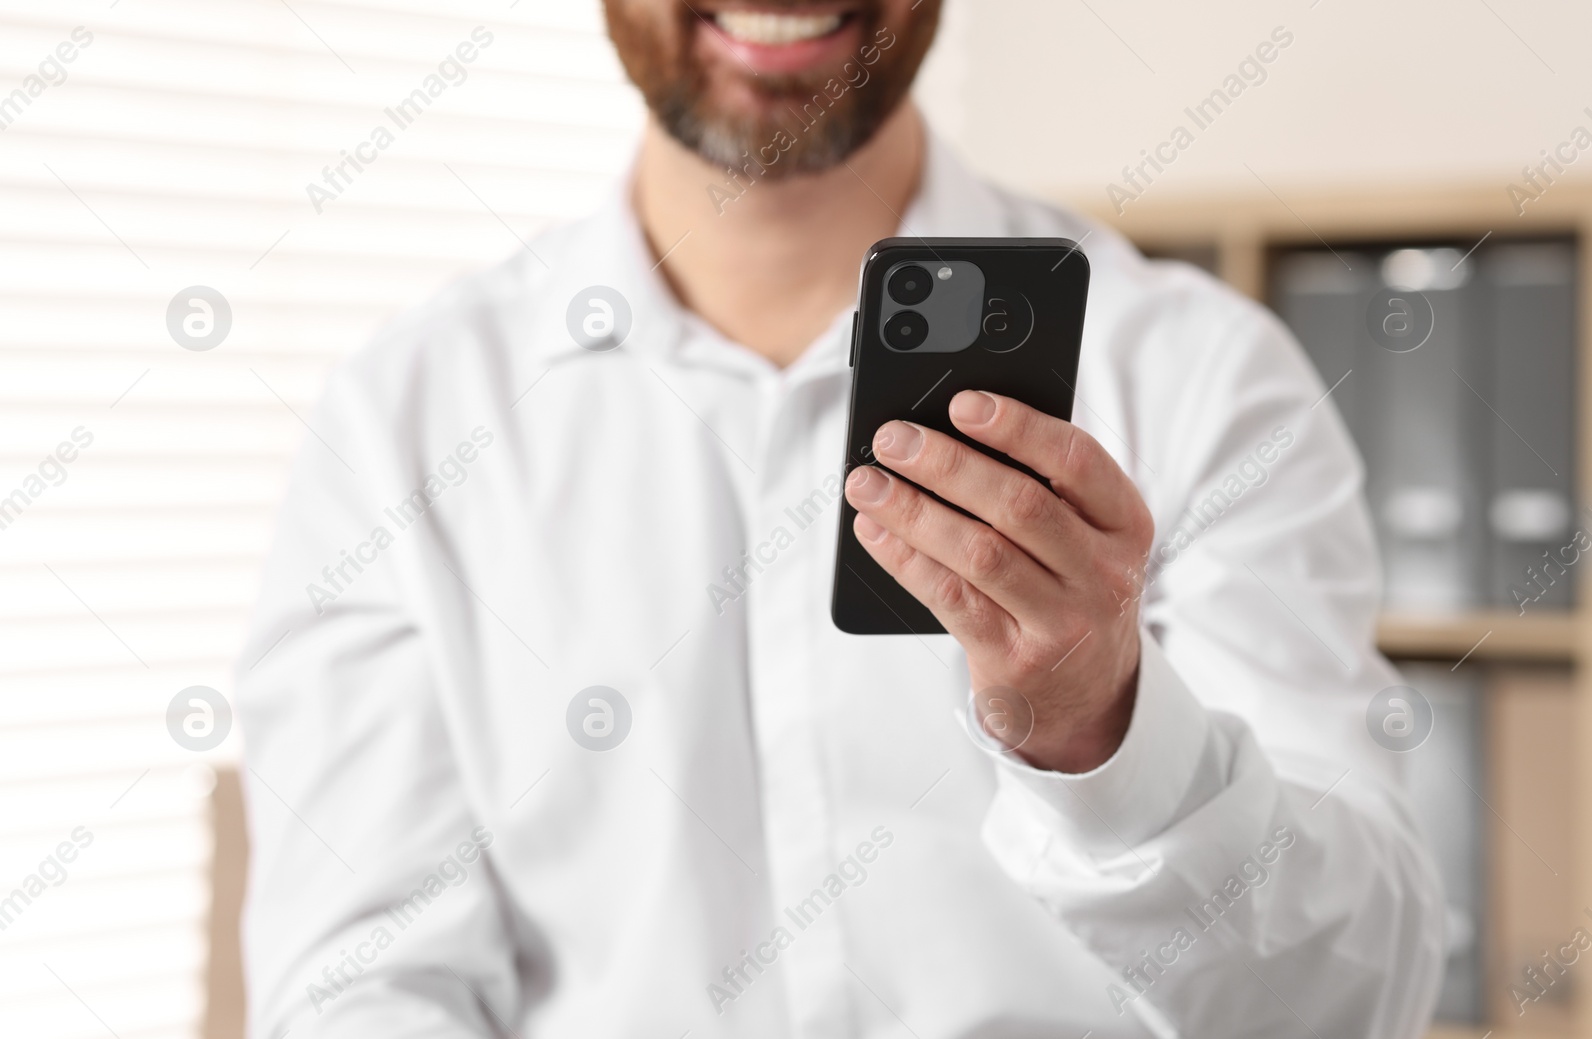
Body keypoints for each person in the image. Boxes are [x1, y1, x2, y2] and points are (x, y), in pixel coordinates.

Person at [237, 1, 1446, 1035]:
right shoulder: (405, 422)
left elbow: (1356, 999)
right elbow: (363, 985)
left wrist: (1107, 737)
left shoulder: (1203, 379)